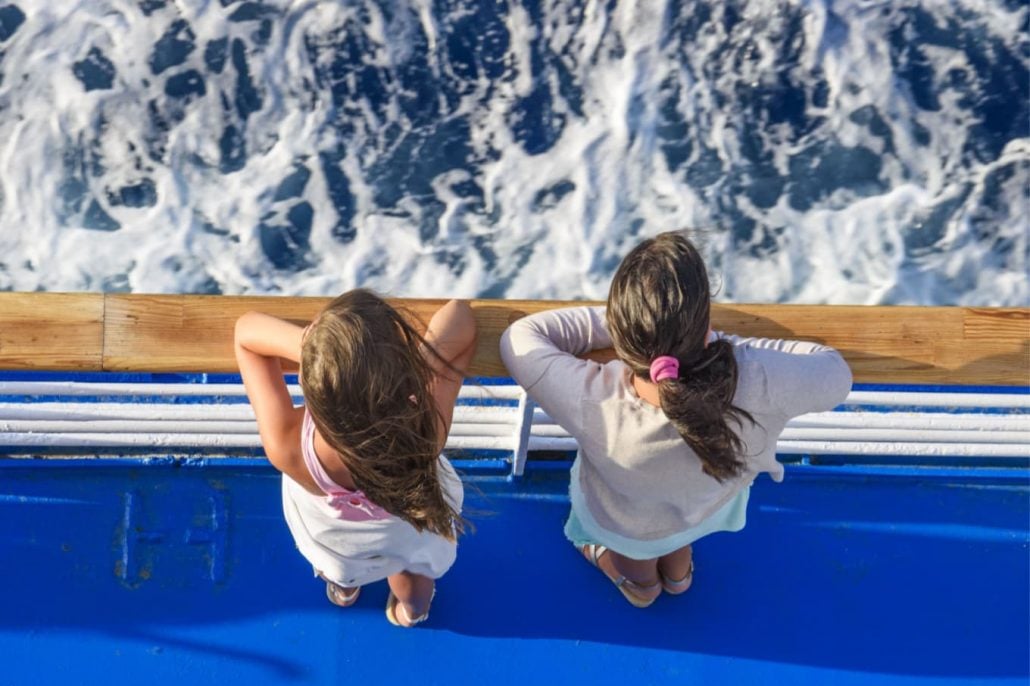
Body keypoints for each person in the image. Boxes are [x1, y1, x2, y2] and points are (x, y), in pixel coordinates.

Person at [499, 231, 853, 607]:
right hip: (705, 511)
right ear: (703, 327)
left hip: (628, 526)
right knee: (679, 538)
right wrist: (729, 347)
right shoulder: (760, 380)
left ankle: (642, 589)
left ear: (622, 332)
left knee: (639, 563)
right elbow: (835, 372)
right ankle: (680, 579)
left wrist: (632, 323)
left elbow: (519, 337)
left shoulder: (593, 399)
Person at [234, 289, 476, 626]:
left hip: (338, 541)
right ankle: (413, 611)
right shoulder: (423, 429)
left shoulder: (288, 447)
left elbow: (246, 333)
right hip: (412, 525)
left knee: (341, 568)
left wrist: (320, 348)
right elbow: (460, 317)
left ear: (309, 382)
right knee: (415, 571)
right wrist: (412, 369)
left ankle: (346, 590)